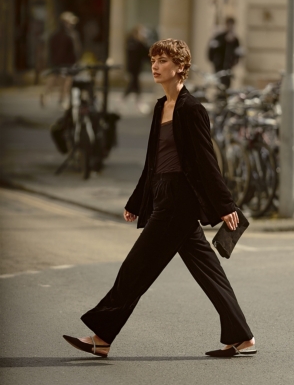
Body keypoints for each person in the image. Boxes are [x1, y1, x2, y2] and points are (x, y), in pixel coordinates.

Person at [63, 38, 256, 358]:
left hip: (179, 201)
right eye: (153, 59)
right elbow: (153, 161)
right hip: (163, 195)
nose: (155, 65)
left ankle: (102, 336)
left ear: (181, 67)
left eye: (163, 60)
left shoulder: (192, 109)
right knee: (208, 271)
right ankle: (242, 337)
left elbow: (207, 162)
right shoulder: (160, 106)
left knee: (136, 268)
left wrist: (225, 205)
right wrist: (137, 200)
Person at [40, 12, 81, 108]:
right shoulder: (71, 35)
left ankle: (47, 94)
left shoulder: (54, 35)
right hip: (67, 63)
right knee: (66, 81)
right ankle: (61, 100)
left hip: (57, 62)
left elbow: (50, 50)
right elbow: (75, 51)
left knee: (54, 78)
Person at [208, 17, 242, 89]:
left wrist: (234, 62)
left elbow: (238, 53)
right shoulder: (219, 37)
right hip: (219, 65)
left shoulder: (235, 39)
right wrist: (214, 61)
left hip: (228, 67)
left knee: (227, 84)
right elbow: (212, 50)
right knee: (218, 84)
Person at [123, 25, 150, 112]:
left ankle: (126, 99)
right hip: (133, 67)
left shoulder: (137, 43)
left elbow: (146, 54)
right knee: (134, 84)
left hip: (136, 67)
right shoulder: (133, 42)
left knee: (134, 84)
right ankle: (138, 102)